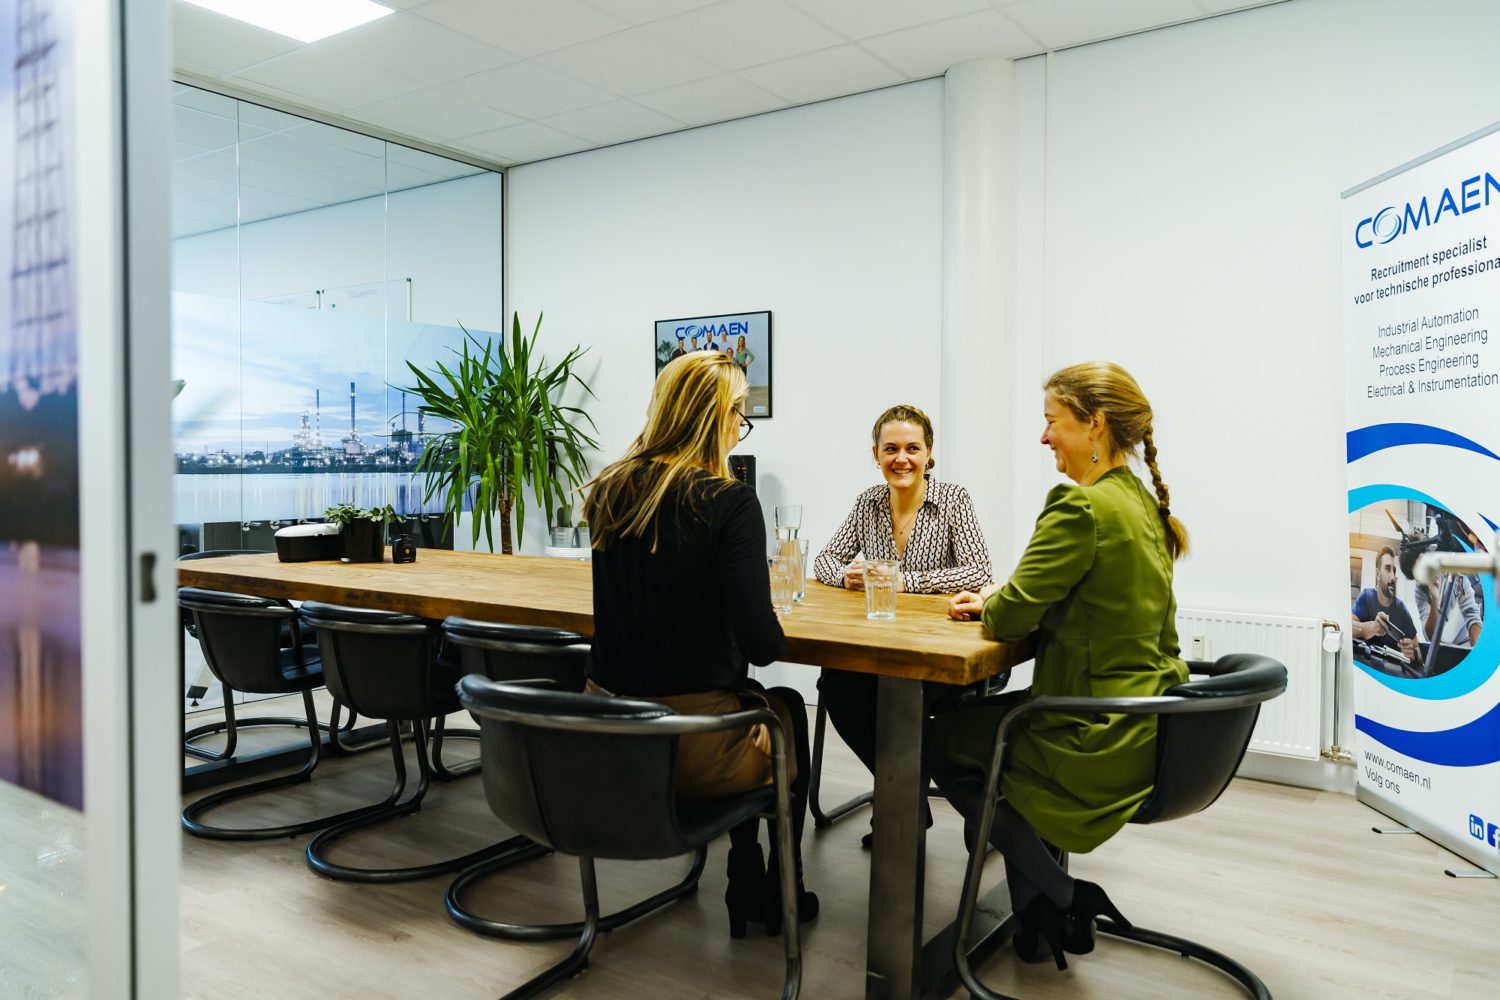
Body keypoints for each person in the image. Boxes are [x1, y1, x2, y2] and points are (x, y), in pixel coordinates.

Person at [933, 361, 1191, 972]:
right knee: (992, 742)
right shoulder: (1145, 508)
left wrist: (992, 604)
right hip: (1144, 725)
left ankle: (1065, 894)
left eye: (1052, 422)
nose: (1044, 437)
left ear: (1094, 425)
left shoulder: (1081, 508)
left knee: (933, 741)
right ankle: (1038, 914)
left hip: (1085, 734)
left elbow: (1008, 616)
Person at [580, 350, 816, 939]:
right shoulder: (730, 501)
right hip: (689, 745)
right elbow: (761, 645)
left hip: (605, 735)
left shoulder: (609, 490)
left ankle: (745, 869)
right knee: (782, 708)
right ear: (716, 416)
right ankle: (773, 884)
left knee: (746, 697)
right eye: (740, 414)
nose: (742, 427)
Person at [812, 403, 992, 846]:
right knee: (836, 685)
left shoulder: (954, 500)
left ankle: (902, 800)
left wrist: (903, 580)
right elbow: (823, 559)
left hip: (940, 652)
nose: (902, 459)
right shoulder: (867, 502)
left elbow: (979, 571)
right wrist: (845, 575)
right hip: (879, 646)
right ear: (875, 454)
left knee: (910, 705)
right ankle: (906, 797)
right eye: (891, 448)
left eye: (913, 448)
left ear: (929, 453)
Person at [1352, 546, 1421, 662]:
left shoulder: (1401, 608)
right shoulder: (1366, 597)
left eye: (1394, 571)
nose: (1393, 577)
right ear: (1377, 574)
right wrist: (1372, 628)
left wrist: (1412, 654)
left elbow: (1418, 652)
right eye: (1388, 569)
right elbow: (1348, 627)